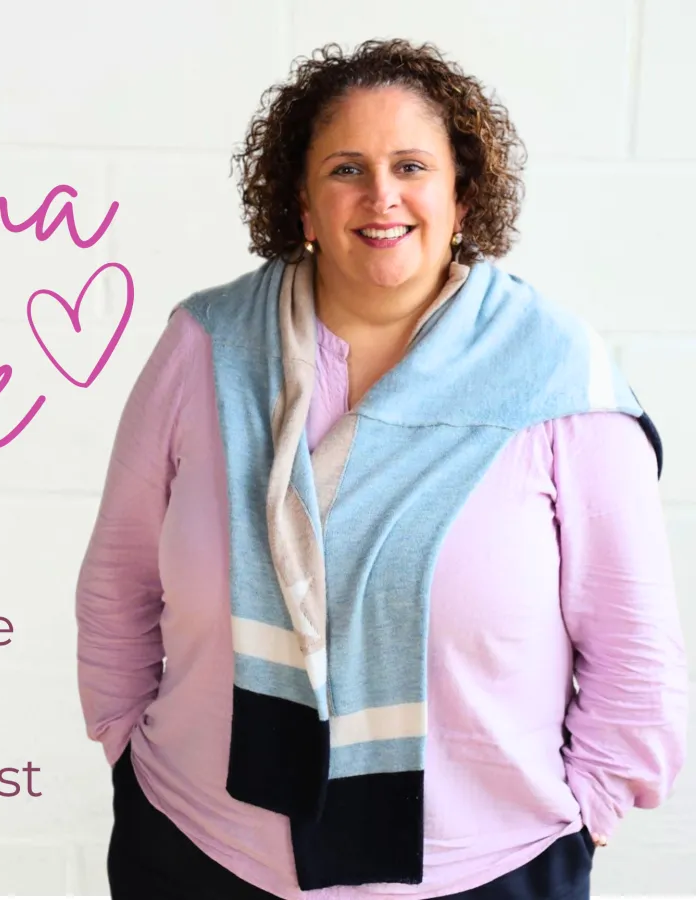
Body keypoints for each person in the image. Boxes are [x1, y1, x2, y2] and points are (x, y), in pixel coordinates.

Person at [75, 39, 688, 900]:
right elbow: (119, 581)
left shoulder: (559, 378)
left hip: (488, 869)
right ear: (302, 202)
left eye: (411, 166)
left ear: (461, 196)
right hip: (201, 848)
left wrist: (587, 816)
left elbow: (634, 651)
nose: (381, 195)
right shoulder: (205, 347)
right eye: (346, 169)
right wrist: (126, 754)